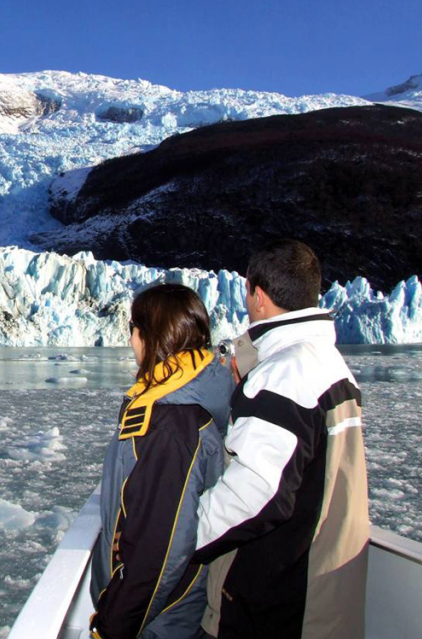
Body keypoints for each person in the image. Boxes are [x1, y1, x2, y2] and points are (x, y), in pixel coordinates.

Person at [193, 240, 370, 639]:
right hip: (319, 592)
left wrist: (178, 537)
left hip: (276, 607)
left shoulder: (285, 375)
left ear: (258, 296)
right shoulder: (327, 363)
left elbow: (255, 494)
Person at [89, 283, 235, 639]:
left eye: (133, 328)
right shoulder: (176, 405)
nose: (130, 340)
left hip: (160, 621)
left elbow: (161, 547)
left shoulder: (172, 423)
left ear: (152, 335)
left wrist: (113, 626)